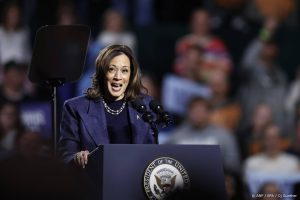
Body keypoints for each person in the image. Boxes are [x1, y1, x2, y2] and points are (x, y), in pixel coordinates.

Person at [58, 45, 155, 168]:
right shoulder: (76, 108)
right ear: (101, 72)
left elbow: (152, 155)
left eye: (124, 71)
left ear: (131, 75)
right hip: (95, 183)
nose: (118, 77)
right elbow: (65, 156)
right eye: (111, 69)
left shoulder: (145, 105)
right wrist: (77, 157)